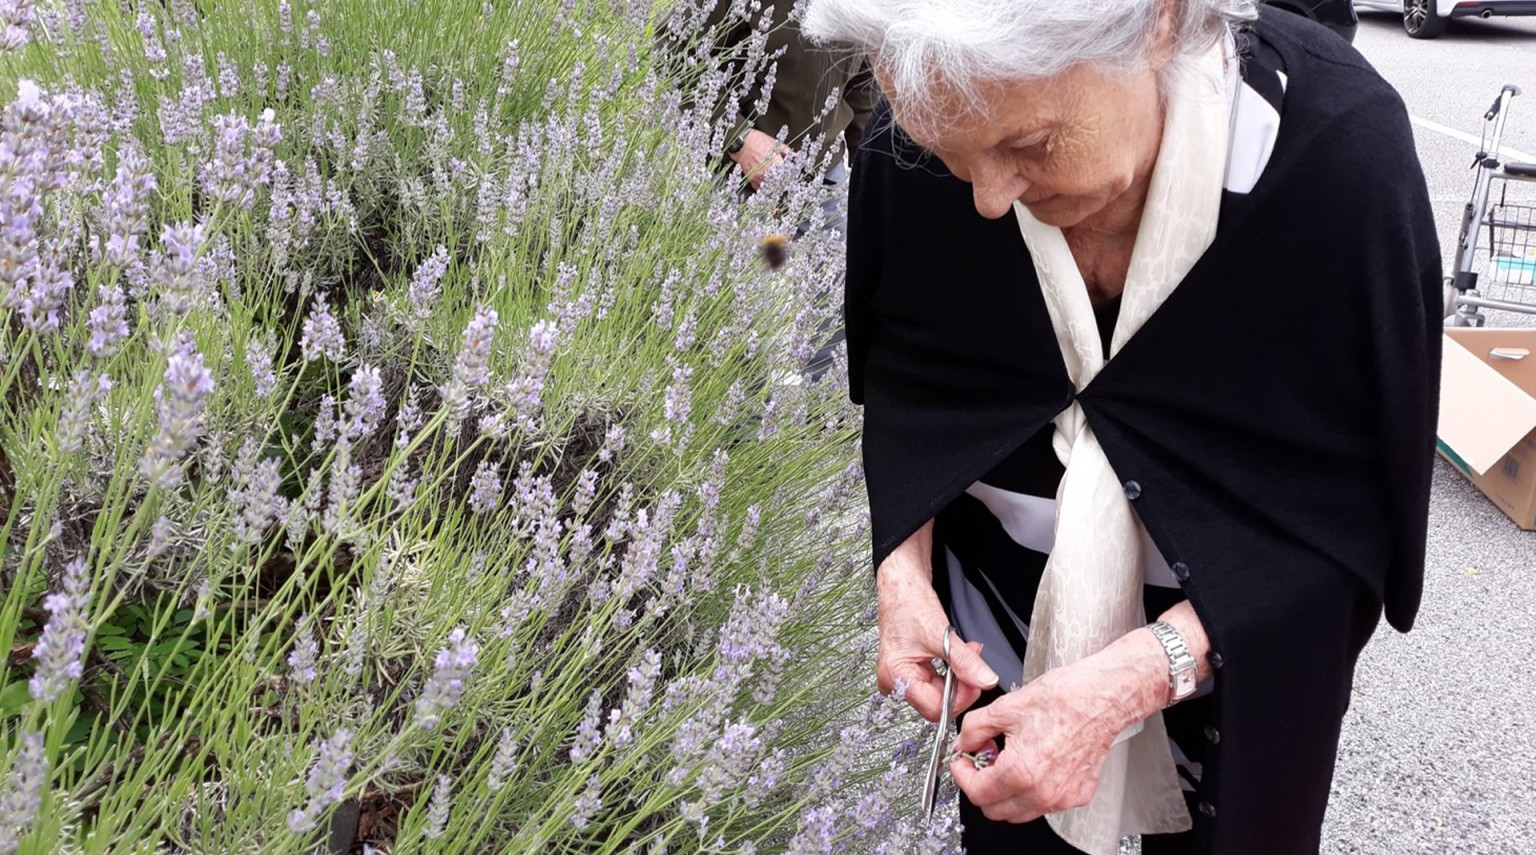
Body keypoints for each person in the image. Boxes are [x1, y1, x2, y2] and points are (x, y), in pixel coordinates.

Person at [802, 1, 1441, 853]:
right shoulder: (935, 120)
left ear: (1160, 24)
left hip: (1237, 668)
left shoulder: (1334, 158)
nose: (989, 199)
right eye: (952, 160)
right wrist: (903, 575)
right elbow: (911, 376)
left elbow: (1353, 504)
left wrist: (1134, 677)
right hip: (1002, 639)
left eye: (1030, 146)